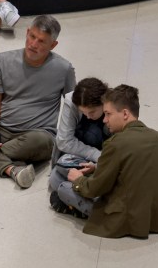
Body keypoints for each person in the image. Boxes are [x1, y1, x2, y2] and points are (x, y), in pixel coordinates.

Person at [0, 15, 76, 188]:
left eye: (41, 41)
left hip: (38, 134)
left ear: (53, 45)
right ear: (27, 32)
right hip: (2, 129)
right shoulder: (2, 61)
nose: (33, 44)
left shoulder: (64, 69)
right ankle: (12, 169)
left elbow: (73, 107)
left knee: (41, 141)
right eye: (32, 36)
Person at [67, 85, 158, 238]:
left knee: (61, 183)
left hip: (126, 219)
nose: (105, 120)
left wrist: (78, 180)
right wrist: (97, 168)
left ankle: (73, 208)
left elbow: (95, 188)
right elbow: (136, 169)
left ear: (125, 114)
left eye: (108, 114)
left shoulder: (115, 143)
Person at [48, 77, 110, 218]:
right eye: (84, 112)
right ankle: (86, 198)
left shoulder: (113, 108)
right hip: (87, 158)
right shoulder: (72, 101)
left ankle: (86, 207)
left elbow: (119, 154)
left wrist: (100, 162)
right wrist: (95, 155)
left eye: (92, 112)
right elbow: (64, 141)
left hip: (106, 160)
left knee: (63, 186)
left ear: (103, 103)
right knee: (55, 178)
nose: (88, 116)